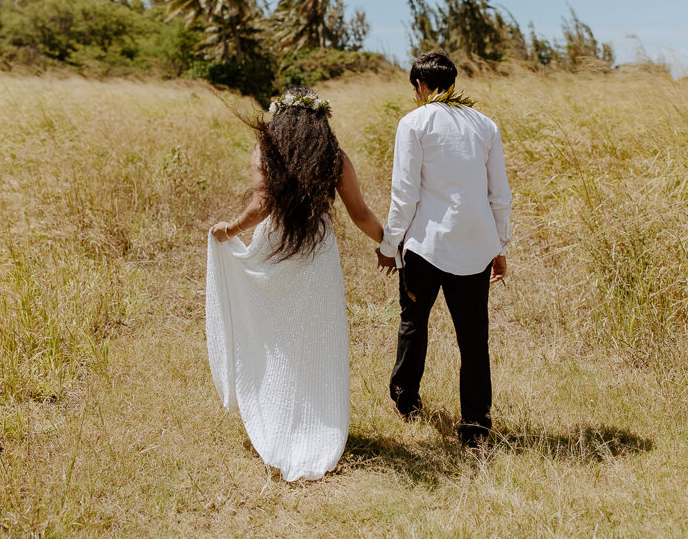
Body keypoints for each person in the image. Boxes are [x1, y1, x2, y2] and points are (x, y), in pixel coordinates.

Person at [206, 86, 384, 481]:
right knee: (317, 339)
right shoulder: (334, 157)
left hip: (275, 244)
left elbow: (264, 204)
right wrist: (391, 243)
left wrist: (230, 229)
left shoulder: (265, 151)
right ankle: (318, 421)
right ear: (321, 120)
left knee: (274, 338)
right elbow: (360, 213)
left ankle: (275, 412)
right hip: (318, 252)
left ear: (279, 118)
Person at [376, 51, 512, 449]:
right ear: (451, 82)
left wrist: (389, 245)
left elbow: (405, 195)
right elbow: (499, 195)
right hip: (474, 246)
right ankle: (475, 425)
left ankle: (405, 400)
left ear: (420, 86)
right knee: (473, 338)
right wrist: (499, 245)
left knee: (414, 323)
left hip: (426, 246)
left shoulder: (413, 122)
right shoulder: (485, 125)